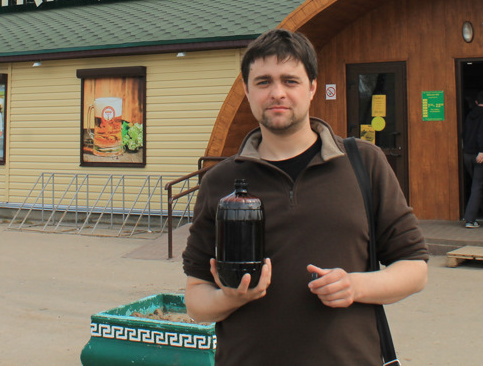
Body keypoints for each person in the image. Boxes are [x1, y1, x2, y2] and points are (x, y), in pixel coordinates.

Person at [182, 29, 428, 365]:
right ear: (247, 90)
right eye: (264, 82)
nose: (277, 93)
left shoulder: (363, 163)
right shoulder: (219, 181)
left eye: (290, 81)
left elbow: (414, 269)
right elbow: (196, 299)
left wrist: (355, 286)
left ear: (312, 87)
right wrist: (231, 297)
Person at [462, 89, 483, 228]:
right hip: (479, 155)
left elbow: (463, 133)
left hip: (467, 154)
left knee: (476, 184)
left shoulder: (469, 115)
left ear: (476, 102)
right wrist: (482, 151)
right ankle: (470, 219)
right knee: (478, 185)